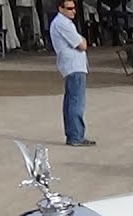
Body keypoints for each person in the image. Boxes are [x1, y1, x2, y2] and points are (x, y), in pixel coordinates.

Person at [50, 0, 94, 146]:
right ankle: (76, 136)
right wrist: (82, 40)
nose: (73, 11)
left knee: (71, 100)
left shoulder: (63, 23)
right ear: (60, 8)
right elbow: (82, 45)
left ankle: (74, 134)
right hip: (74, 65)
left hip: (72, 65)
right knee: (76, 101)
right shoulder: (63, 23)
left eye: (74, 8)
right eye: (69, 8)